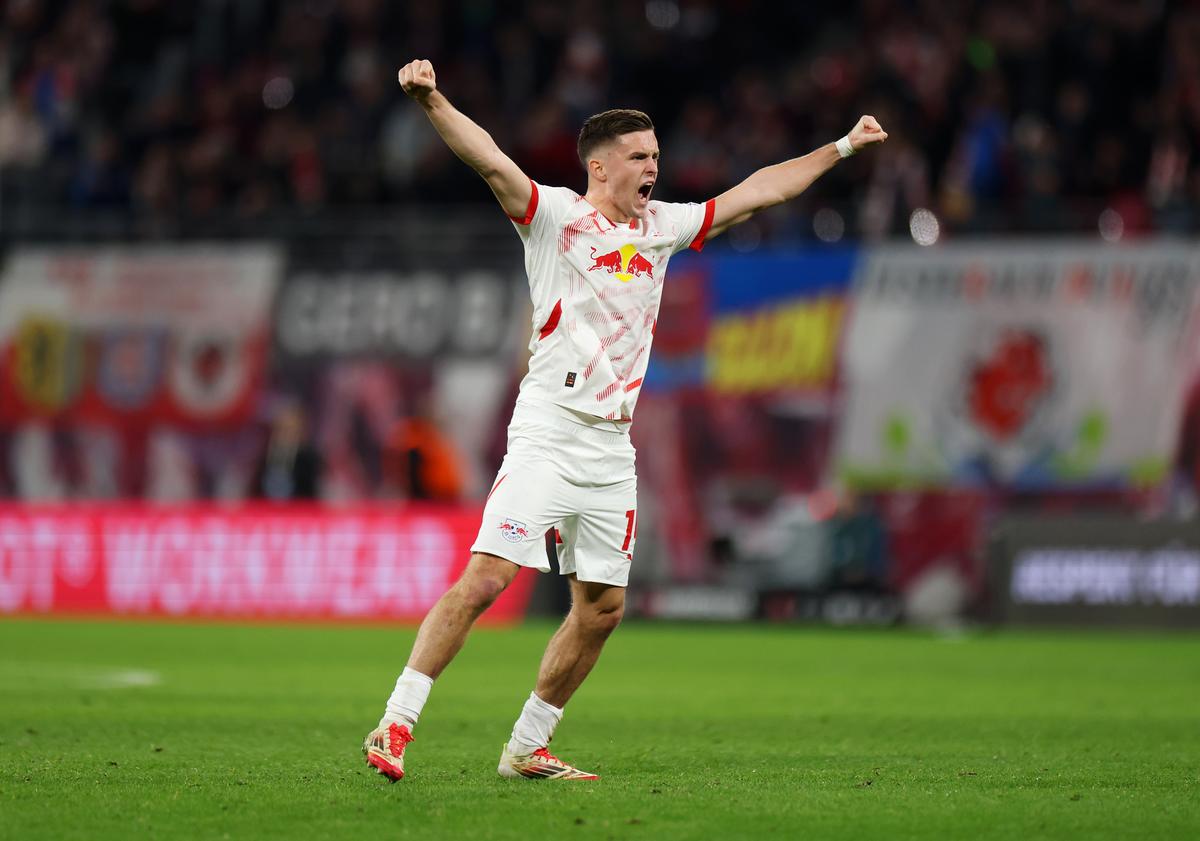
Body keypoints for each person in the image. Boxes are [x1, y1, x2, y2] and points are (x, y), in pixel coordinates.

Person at [363, 58, 887, 782]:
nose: (654, 168)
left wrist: (844, 147)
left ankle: (526, 746)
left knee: (603, 607)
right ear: (600, 168)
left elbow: (759, 191)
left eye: (657, 157)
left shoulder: (663, 227)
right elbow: (488, 159)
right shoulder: (553, 218)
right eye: (640, 158)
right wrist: (430, 101)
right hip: (549, 428)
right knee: (487, 577)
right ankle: (396, 721)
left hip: (611, 446)